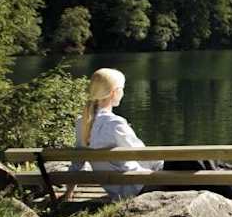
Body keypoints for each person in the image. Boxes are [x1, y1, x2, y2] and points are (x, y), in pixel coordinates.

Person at [65, 68, 162, 201]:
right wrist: (163, 167)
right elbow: (142, 155)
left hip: (115, 190)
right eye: (122, 89)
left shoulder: (81, 122)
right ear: (114, 92)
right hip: (138, 186)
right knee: (187, 164)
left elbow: (77, 163)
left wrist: (68, 192)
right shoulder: (115, 123)